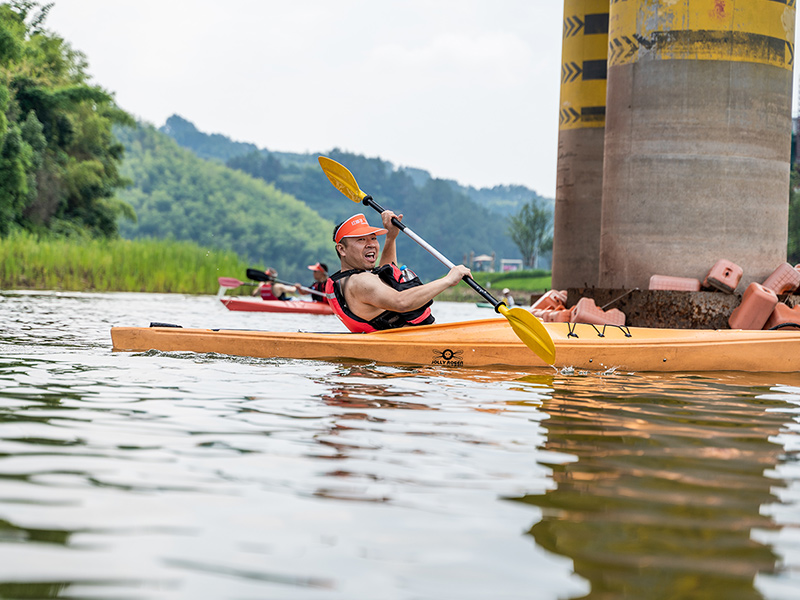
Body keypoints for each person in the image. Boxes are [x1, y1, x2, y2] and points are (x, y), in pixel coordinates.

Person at [324, 211, 471, 333]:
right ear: (342, 249)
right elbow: (401, 302)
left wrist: (391, 237)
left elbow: (385, 274)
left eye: (373, 238)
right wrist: (448, 280)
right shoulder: (361, 281)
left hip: (407, 344)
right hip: (414, 349)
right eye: (361, 240)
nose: (371, 244)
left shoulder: (348, 280)